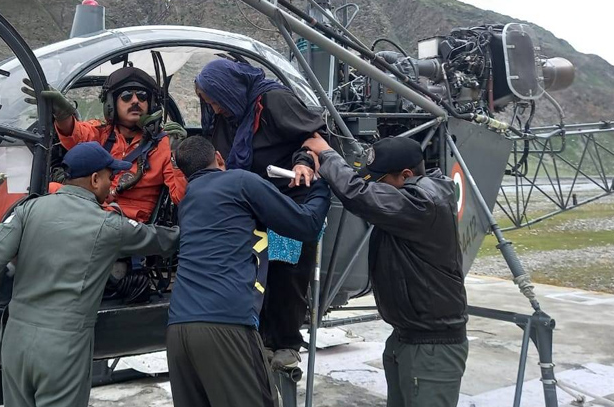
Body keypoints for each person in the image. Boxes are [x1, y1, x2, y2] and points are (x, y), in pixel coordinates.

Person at [0, 142, 179, 407]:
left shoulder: (28, 210)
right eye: (108, 177)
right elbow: (162, 240)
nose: (111, 184)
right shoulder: (109, 225)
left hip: (16, 341)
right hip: (62, 349)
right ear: (94, 179)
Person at [302, 134, 468, 407]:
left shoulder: (424, 203)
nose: (377, 188)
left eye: (381, 182)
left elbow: (361, 196)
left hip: (432, 346)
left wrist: (329, 155)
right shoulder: (412, 199)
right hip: (406, 337)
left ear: (406, 175)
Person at [166, 136, 330, 407]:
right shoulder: (240, 181)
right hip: (227, 326)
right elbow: (307, 224)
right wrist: (322, 184)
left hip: (178, 331)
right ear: (219, 157)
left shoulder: (188, 202)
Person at [194, 58, 327, 369]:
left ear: (229, 89)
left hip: (286, 200)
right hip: (249, 206)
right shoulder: (227, 115)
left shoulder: (272, 101)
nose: (214, 109)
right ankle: (256, 338)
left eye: (216, 101)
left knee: (284, 272)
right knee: (253, 274)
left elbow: (314, 139)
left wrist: (303, 162)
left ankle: (286, 342)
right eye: (209, 103)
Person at [24, 67, 186, 223]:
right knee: (50, 189)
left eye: (143, 96)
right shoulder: (101, 132)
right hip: (91, 211)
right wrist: (63, 115)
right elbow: (74, 135)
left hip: (127, 226)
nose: (136, 101)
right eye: (127, 96)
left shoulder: (164, 143)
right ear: (111, 103)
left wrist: (177, 155)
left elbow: (180, 196)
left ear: (151, 104)